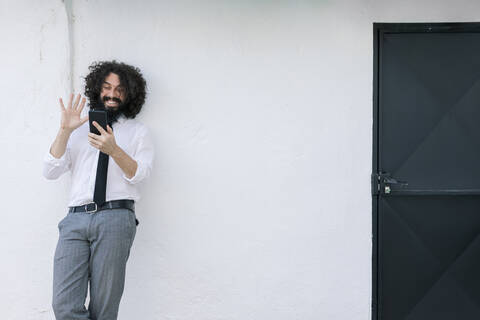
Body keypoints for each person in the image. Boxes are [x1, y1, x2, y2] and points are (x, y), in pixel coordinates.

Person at [43, 60, 154, 320]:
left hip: (116, 218)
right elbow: (50, 171)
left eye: (120, 89)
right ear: (97, 89)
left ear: (129, 95)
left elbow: (140, 174)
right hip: (75, 219)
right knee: (64, 305)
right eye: (107, 87)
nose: (112, 94)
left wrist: (113, 149)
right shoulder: (77, 130)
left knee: (104, 309)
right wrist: (64, 130)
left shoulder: (138, 132)